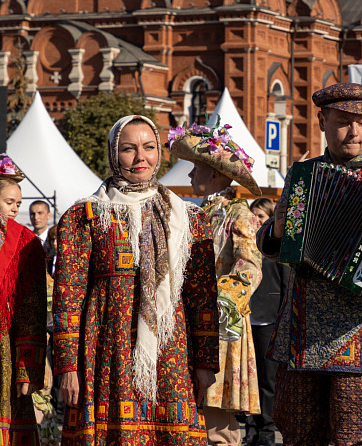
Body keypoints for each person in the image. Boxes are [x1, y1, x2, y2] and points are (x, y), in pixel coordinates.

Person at [256, 82, 362, 445]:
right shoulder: (303, 176)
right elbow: (272, 247)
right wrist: (275, 229)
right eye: (342, 122)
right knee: (298, 435)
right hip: (302, 332)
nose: (353, 132)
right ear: (322, 122)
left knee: (355, 435)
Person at [53, 115, 219, 445]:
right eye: (129, 149)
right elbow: (68, 296)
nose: (140, 157)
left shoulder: (188, 218)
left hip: (171, 352)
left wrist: (205, 363)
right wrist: (67, 367)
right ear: (114, 154)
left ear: (160, 153)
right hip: (107, 351)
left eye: (149, 147)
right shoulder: (86, 216)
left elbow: (202, 297)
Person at [170, 120, 264, 446]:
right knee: (193, 413)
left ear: (213, 174)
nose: (189, 175)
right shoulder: (198, 212)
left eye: (195, 168)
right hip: (194, 321)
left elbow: (250, 266)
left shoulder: (239, 214)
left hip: (222, 323)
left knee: (217, 422)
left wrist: (222, 297)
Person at [0, 153, 47, 444]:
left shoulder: (25, 243)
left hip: (4, 350)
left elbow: (32, 309)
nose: (16, 209)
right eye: (9, 202)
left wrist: (26, 369)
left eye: (18, 203)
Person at [242, 197, 290, 446]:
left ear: (271, 217)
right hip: (245, 317)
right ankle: (251, 429)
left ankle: (267, 431)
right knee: (248, 379)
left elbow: (286, 283)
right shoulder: (243, 242)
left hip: (268, 318)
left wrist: (283, 318)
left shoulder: (275, 245)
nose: (256, 220)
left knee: (267, 380)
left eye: (261, 215)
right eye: (254, 215)